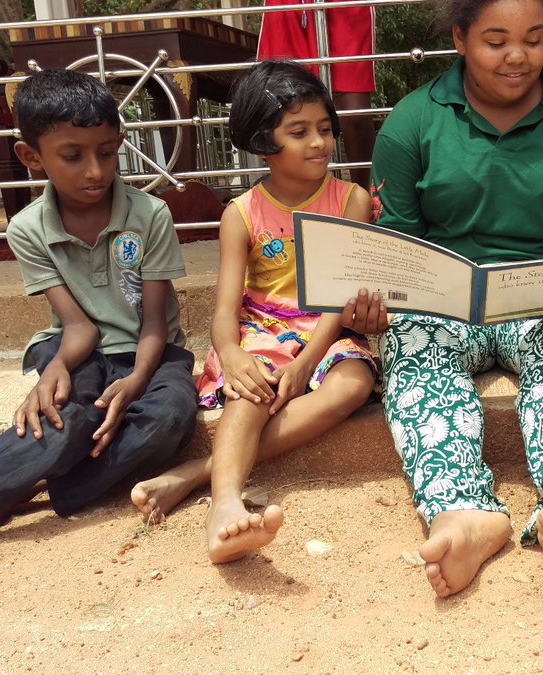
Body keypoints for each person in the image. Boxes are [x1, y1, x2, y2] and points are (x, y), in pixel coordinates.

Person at [343, 0, 543, 598]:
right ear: (459, 38)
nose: (518, 57)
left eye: (534, 39)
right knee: (413, 348)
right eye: (496, 40)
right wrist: (375, 304)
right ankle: (466, 513)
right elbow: (395, 244)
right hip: (444, 304)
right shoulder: (412, 121)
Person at [0, 69, 198, 565]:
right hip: (78, 348)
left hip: (150, 353)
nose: (95, 170)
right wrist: (53, 370)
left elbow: (154, 323)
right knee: (63, 419)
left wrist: (137, 379)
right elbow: (79, 326)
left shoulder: (150, 214)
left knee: (170, 416)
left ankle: (31, 487)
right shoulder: (27, 229)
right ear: (32, 157)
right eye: (72, 156)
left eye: (108, 151)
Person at [131, 61, 378, 564]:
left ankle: (197, 473)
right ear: (263, 140)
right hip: (264, 326)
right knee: (250, 386)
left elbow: (338, 295)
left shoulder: (349, 199)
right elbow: (225, 309)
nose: (319, 143)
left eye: (325, 129)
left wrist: (308, 360)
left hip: (328, 327)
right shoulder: (241, 212)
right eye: (299, 132)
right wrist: (230, 352)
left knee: (352, 386)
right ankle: (224, 507)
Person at [258, 0, 377, 189]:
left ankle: (366, 200)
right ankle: (298, 199)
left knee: (355, 112)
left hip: (344, 7)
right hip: (288, 5)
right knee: (286, 103)